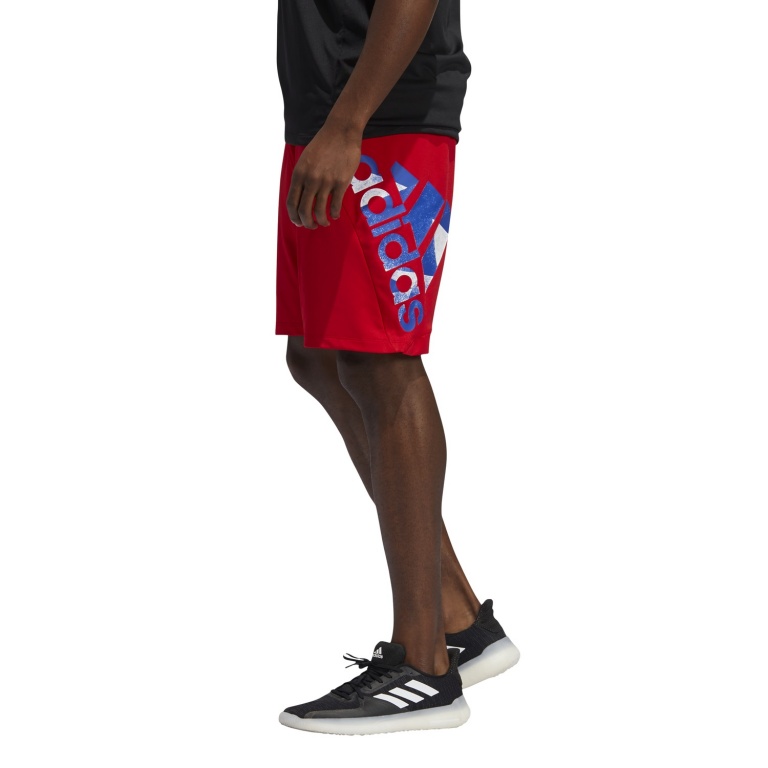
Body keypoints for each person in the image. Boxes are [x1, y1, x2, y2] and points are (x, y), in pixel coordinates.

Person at [274, 0, 519, 735]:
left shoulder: (363, 117)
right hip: (327, 110)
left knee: (379, 359)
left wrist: (349, 122)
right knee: (317, 356)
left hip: (380, 115)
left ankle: (424, 664)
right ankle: (456, 614)